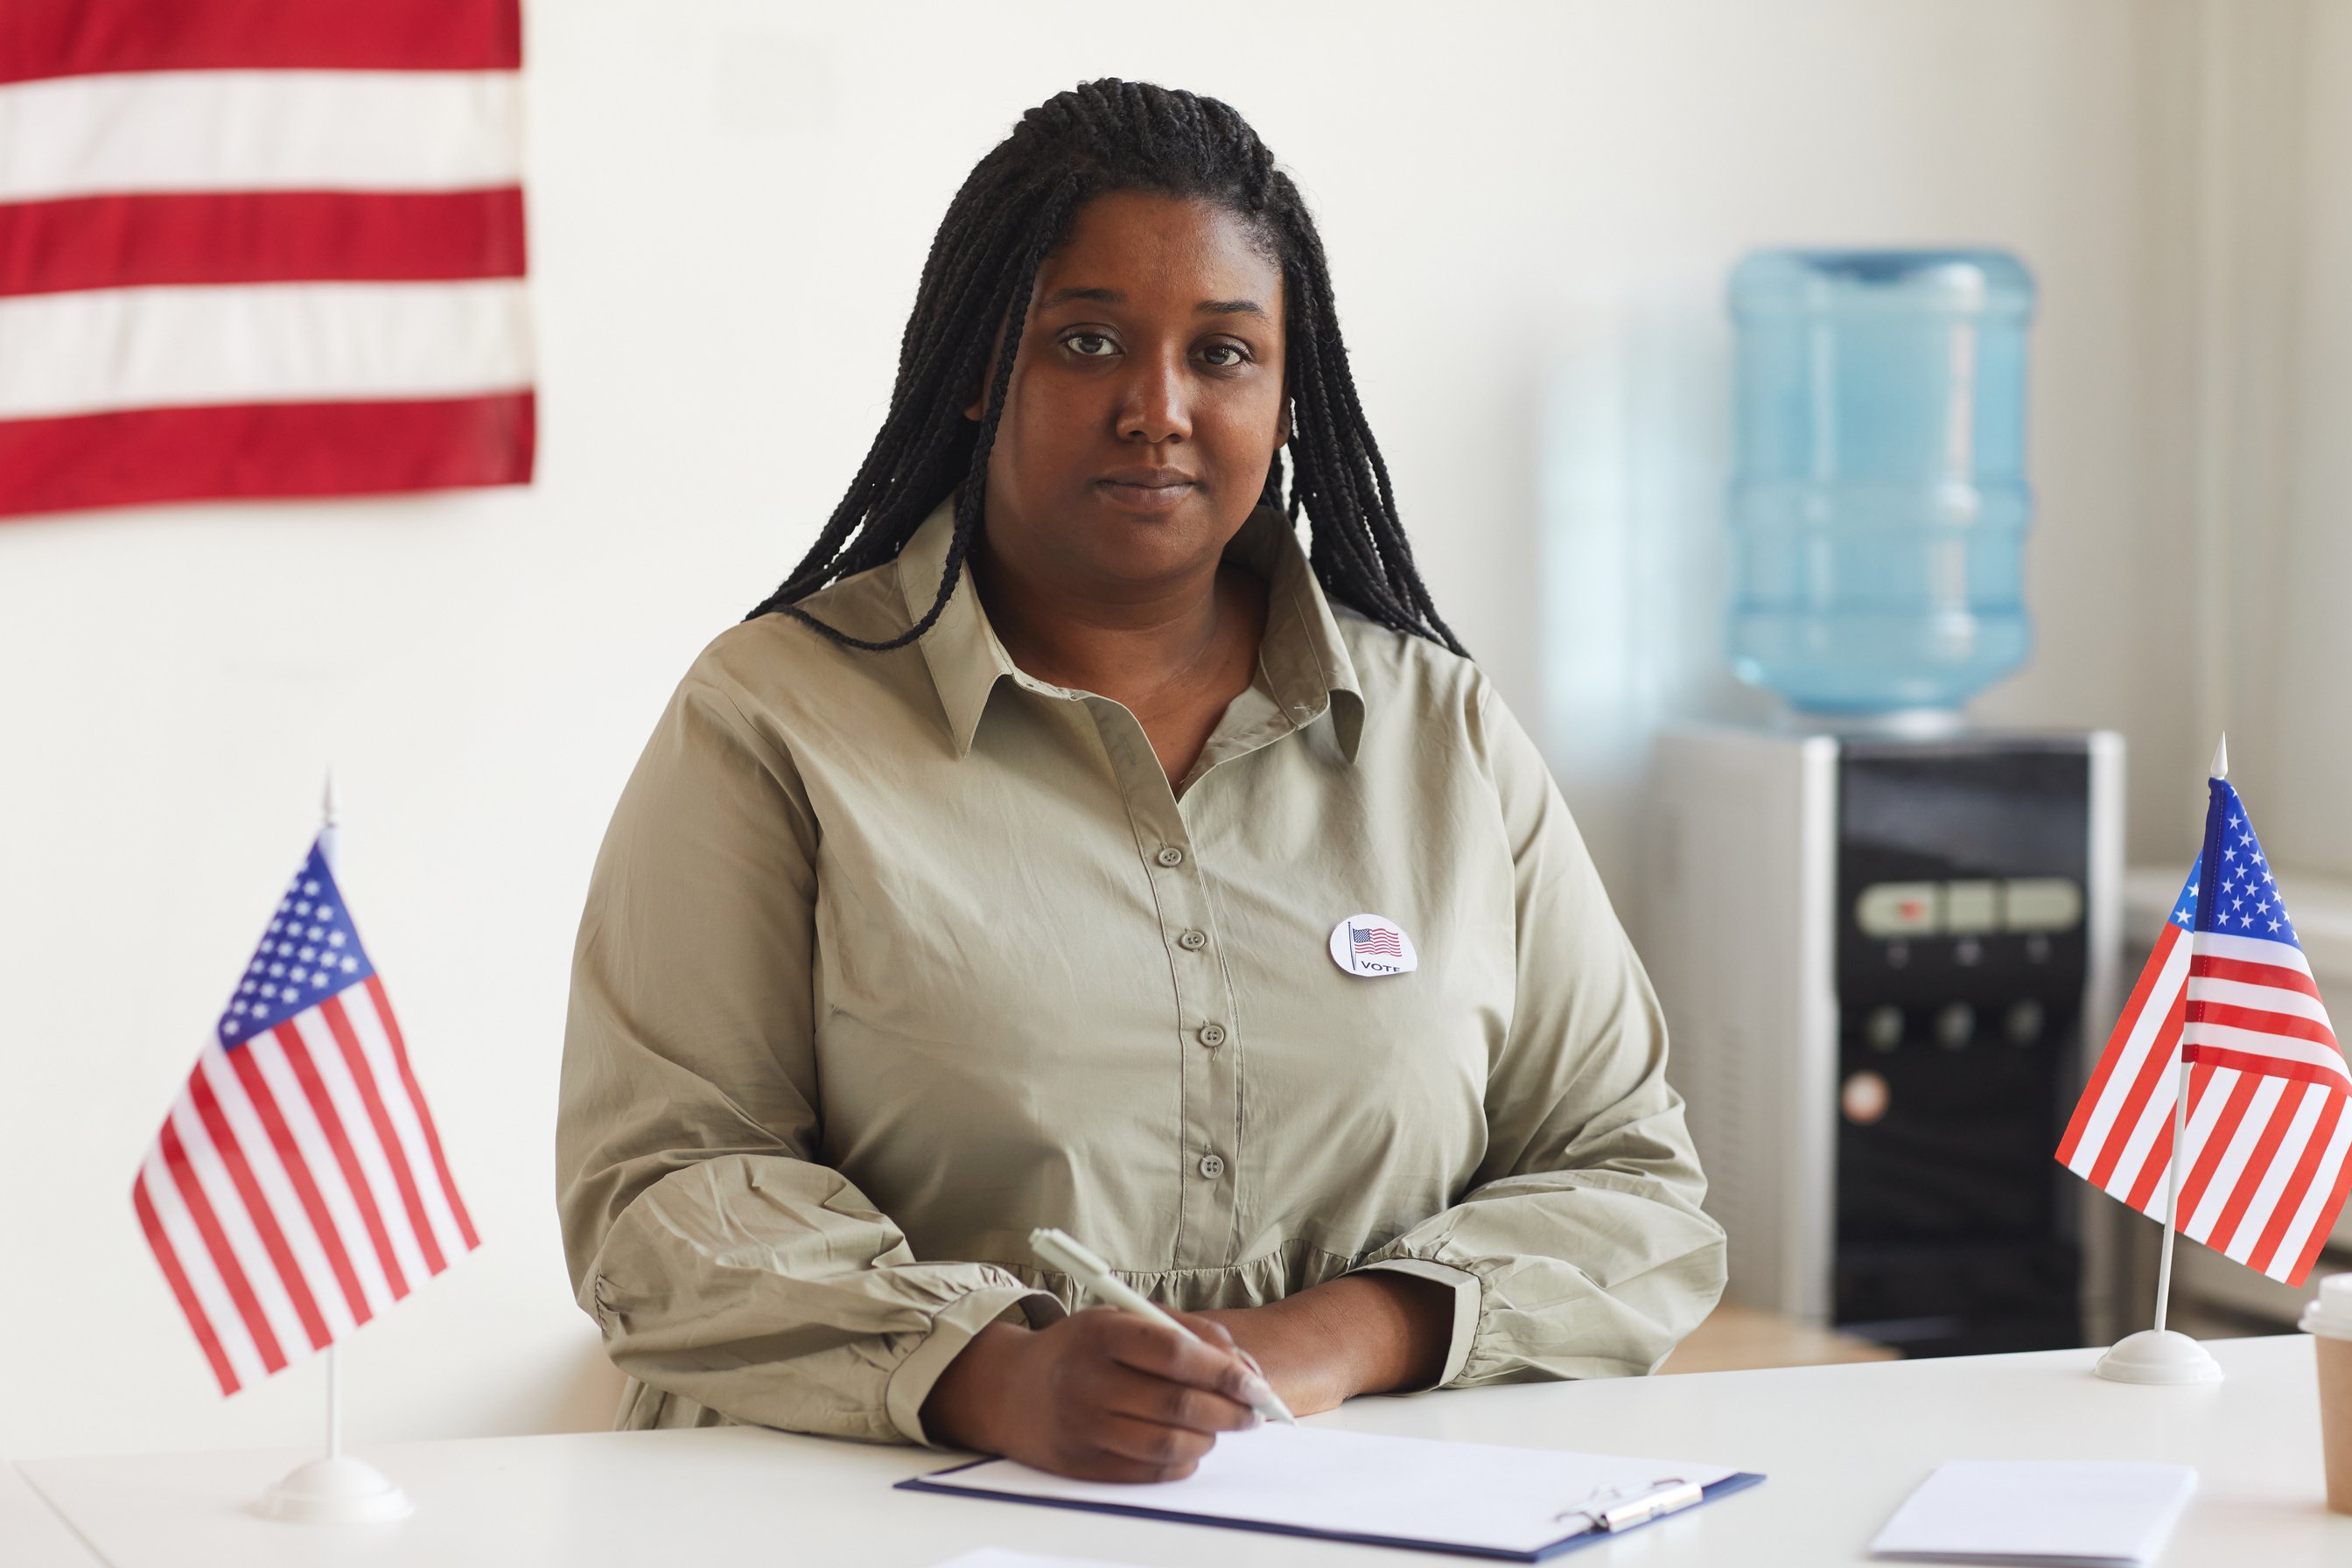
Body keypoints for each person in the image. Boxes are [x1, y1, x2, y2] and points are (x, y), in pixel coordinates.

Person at [557, 78, 1725, 1485]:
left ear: (1290, 397)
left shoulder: (1440, 734)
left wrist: (1337, 1335)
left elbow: (1633, 1187)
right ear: (983, 366)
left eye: (1223, 355)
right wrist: (989, 1375)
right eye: (1088, 342)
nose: (1156, 409)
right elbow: (660, 1197)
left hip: (1373, 1515)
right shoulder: (774, 719)